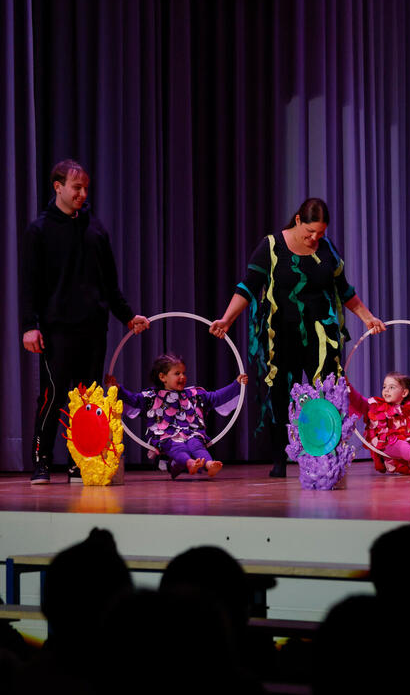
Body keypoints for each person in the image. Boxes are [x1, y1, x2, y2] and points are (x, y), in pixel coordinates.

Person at [210, 198, 385, 477]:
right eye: (310, 232)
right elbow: (248, 286)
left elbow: (344, 290)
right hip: (282, 334)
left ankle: (326, 456)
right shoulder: (271, 246)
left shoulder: (327, 249)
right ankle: (280, 459)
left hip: (321, 335)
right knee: (279, 393)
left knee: (326, 393)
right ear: (298, 220)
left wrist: (368, 317)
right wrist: (227, 319)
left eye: (321, 233)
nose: (315, 238)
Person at [20, 159, 150, 484]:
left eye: (85, 188)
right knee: (53, 394)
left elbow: (110, 283)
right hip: (56, 328)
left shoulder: (96, 229)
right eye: (76, 187)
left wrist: (127, 316)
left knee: (88, 397)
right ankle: (42, 460)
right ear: (58, 187)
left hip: (93, 327)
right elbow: (29, 284)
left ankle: (79, 461)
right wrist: (29, 326)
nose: (82, 194)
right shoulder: (39, 230)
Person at [106, 353, 247, 479]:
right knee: (176, 446)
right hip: (166, 436)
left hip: (191, 432)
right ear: (162, 377)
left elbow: (217, 397)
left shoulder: (194, 394)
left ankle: (209, 464)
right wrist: (116, 388)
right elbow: (132, 399)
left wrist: (236, 384)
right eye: (177, 373)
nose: (182, 377)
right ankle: (190, 463)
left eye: (184, 373)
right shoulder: (151, 397)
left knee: (197, 444)